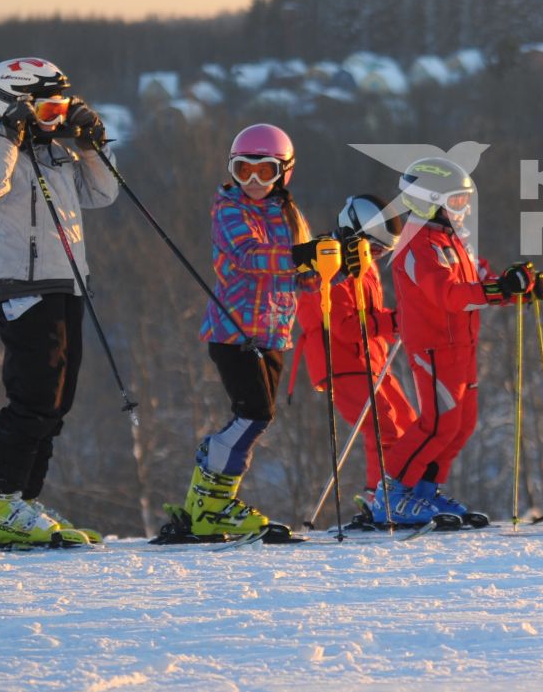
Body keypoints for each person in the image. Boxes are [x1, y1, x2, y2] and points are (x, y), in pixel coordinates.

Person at [0, 58, 118, 549]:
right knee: (35, 395)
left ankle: (20, 500)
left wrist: (93, 144)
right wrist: (9, 133)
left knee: (58, 400)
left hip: (68, 285)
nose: (55, 118)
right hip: (21, 287)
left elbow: (105, 192)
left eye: (63, 107)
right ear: (14, 104)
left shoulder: (55, 155)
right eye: (46, 107)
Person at [170, 123, 341, 541]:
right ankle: (214, 496)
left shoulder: (290, 215)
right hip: (233, 330)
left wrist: (329, 268)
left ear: (283, 173)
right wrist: (303, 254)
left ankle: (208, 503)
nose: (252, 181)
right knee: (255, 413)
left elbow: (302, 278)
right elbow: (249, 256)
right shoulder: (229, 209)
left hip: (273, 332)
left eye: (264, 172)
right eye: (242, 170)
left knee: (257, 418)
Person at [387, 155, 537, 529]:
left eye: (465, 202)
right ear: (428, 201)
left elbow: (480, 279)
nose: (462, 210)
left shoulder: (451, 240)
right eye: (455, 202)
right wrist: (498, 289)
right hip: (434, 345)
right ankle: (389, 494)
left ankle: (424, 490)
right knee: (438, 424)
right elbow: (451, 295)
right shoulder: (417, 245)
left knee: (461, 424)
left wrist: (515, 287)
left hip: (462, 345)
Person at [294, 194, 421, 527]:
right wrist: (396, 322)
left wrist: (399, 319)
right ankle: (378, 499)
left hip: (371, 359)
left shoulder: (364, 266)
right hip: (342, 360)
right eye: (374, 248)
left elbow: (370, 315)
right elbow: (347, 328)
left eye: (382, 252)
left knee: (409, 424)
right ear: (354, 233)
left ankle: (406, 495)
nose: (376, 257)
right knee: (383, 426)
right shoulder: (331, 262)